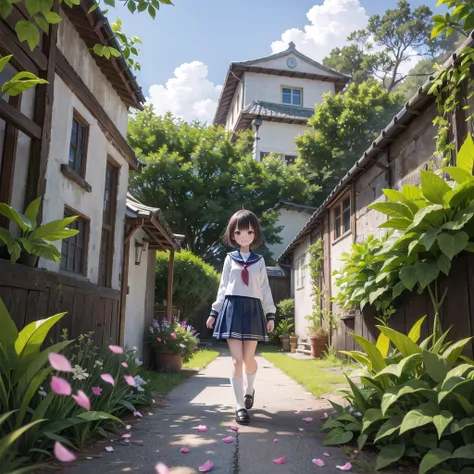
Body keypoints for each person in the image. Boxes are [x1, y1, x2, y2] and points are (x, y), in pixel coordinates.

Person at [206, 209, 276, 425]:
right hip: (233, 308)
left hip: (253, 310)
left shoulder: (259, 261)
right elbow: (223, 286)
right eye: (239, 232)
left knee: (248, 360)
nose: (243, 236)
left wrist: (270, 314)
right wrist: (214, 311)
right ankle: (239, 406)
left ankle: (249, 389)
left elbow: (264, 288)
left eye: (248, 232)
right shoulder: (229, 259)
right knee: (236, 361)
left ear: (254, 234)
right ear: (233, 234)